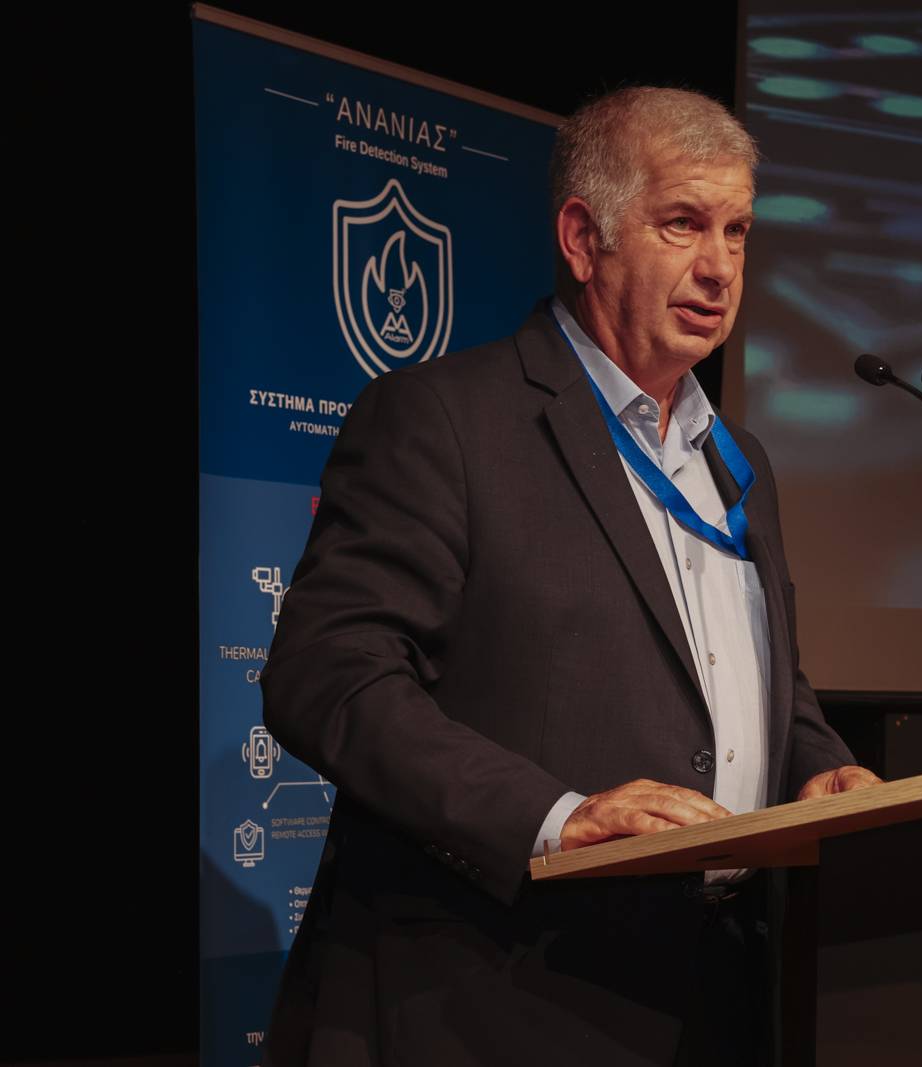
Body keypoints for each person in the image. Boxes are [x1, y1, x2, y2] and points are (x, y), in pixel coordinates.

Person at [259, 86, 880, 1066]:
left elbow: (759, 681)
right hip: (501, 993)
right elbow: (327, 673)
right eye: (682, 224)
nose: (720, 267)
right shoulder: (446, 420)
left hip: (718, 994)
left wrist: (818, 764)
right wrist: (555, 819)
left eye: (737, 231)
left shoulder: (738, 462)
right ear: (585, 239)